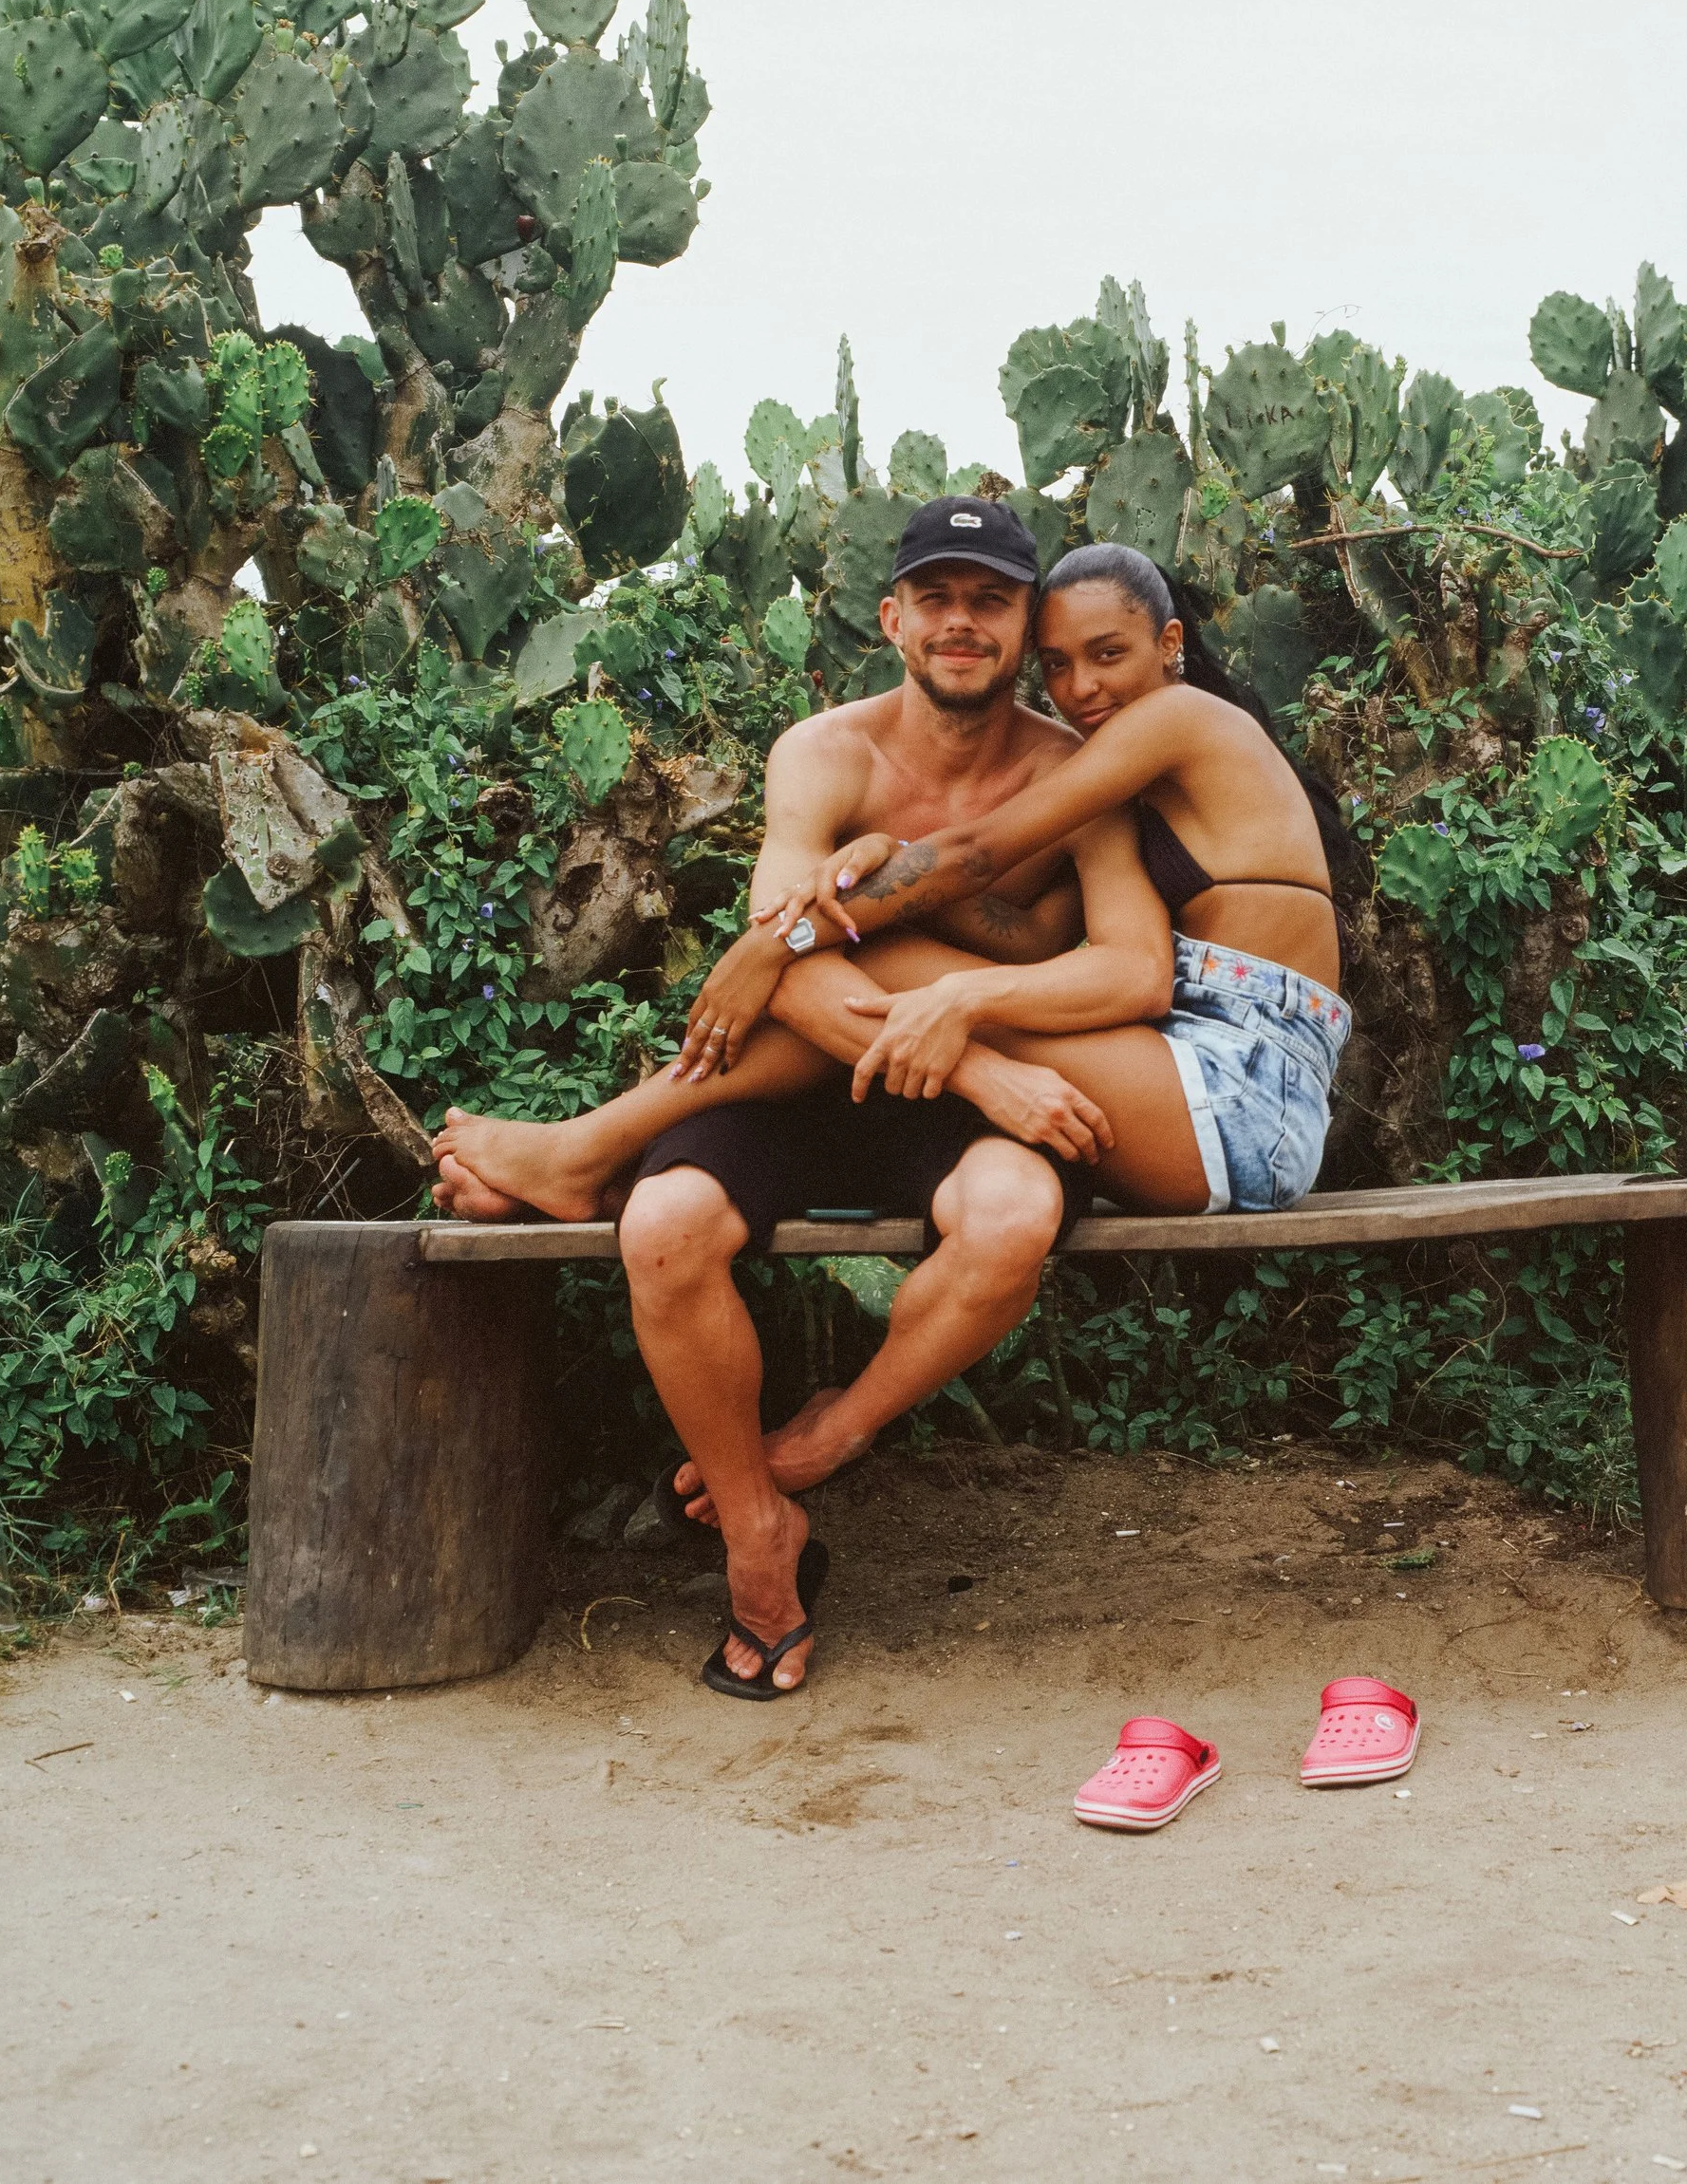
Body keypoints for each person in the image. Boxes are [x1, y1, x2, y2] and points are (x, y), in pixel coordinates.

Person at [434, 502, 1205, 1697]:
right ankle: (755, 1534)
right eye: (936, 598)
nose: (961, 622)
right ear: (889, 615)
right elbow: (784, 971)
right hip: (811, 1086)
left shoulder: (1075, 774)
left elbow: (1126, 966)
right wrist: (984, 1058)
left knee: (1010, 1223)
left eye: (991, 600)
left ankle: (820, 1439)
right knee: (665, 1225)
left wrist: (948, 1029)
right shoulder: (825, 754)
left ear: (1022, 626)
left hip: (953, 1121)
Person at [738, 539, 1353, 1219]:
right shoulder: (1144, 766)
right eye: (1056, 664)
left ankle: (618, 1134)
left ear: (1168, 640)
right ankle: (620, 1140)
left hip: (1244, 1089)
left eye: (1108, 653)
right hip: (1216, 1080)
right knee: (869, 964)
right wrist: (885, 851)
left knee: (862, 955)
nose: (1081, 687)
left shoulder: (1176, 718)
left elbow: (978, 854)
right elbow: (1030, 937)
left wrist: (770, 945)